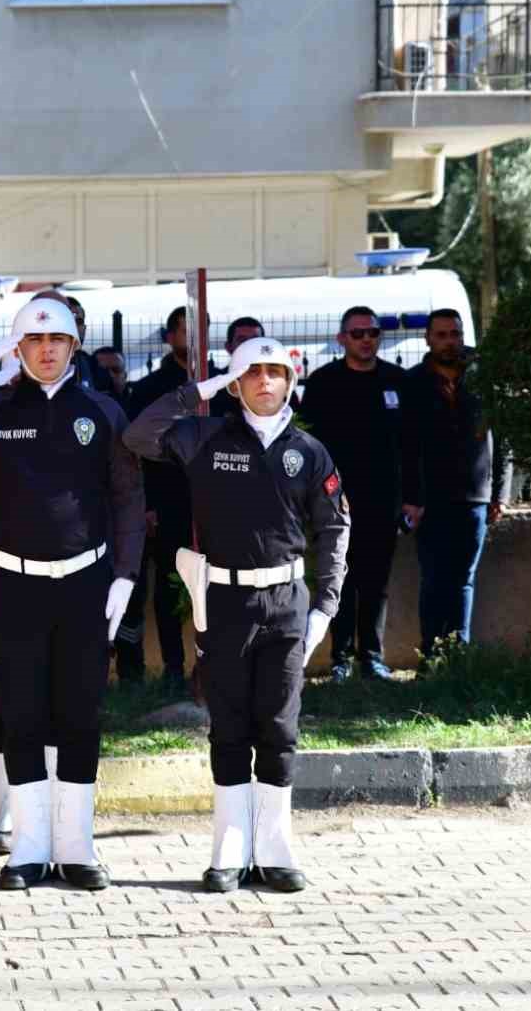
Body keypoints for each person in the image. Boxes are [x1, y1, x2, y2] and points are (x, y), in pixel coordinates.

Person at [0, 296, 145, 892]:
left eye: (56, 341)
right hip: (13, 584)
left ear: (73, 346)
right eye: (33, 341)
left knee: (80, 714)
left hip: (87, 585)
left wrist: (126, 575)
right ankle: (30, 849)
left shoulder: (104, 411)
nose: (46, 350)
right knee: (22, 714)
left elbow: (128, 500)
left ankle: (77, 845)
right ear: (18, 348)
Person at [124, 337, 349, 894]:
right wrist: (201, 388)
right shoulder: (204, 437)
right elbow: (138, 434)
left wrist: (326, 603)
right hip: (223, 602)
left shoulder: (309, 451)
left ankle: (274, 849)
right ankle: (228, 849)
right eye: (253, 373)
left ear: (290, 382)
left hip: (287, 605)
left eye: (276, 373)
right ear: (236, 382)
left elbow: (335, 529)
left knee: (278, 728)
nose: (265, 382)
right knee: (228, 728)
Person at [297, 307, 407, 682]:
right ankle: (340, 658)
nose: (366, 339)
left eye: (372, 332)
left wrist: (413, 497)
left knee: (376, 582)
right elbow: (308, 443)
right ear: (342, 338)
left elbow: (413, 446)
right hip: (334, 502)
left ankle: (372, 657)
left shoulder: (397, 381)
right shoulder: (324, 382)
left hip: (384, 501)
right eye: (357, 333)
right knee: (337, 579)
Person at [400, 310, 510, 658]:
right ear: (428, 339)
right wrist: (410, 498)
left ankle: (458, 658)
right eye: (442, 335)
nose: (450, 341)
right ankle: (431, 656)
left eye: (455, 334)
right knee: (434, 580)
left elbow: (503, 438)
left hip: (475, 497)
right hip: (429, 499)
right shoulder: (413, 381)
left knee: (463, 580)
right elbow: (405, 446)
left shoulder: (483, 376)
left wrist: (500, 494)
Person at [116, 307, 194, 689]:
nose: (193, 335)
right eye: (185, 329)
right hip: (167, 506)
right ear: (169, 336)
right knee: (167, 590)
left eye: (201, 327)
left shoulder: (227, 383)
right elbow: (132, 453)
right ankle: (174, 668)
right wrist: (144, 506)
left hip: (216, 507)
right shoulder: (148, 389)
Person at [59, 294, 118, 396]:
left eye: (79, 322)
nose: (75, 328)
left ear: (85, 328)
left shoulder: (93, 366)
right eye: (68, 321)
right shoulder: (38, 368)